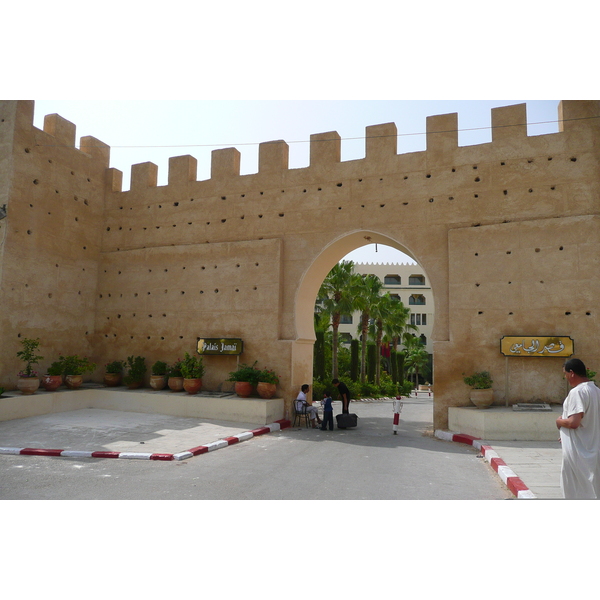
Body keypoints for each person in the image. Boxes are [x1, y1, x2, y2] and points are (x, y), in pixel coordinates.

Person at [556, 358, 600, 499]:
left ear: (572, 373)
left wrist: (559, 422)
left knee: (576, 489)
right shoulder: (596, 391)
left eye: (565, 373)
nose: (565, 377)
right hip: (592, 449)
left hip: (578, 451)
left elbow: (574, 422)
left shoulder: (577, 392)